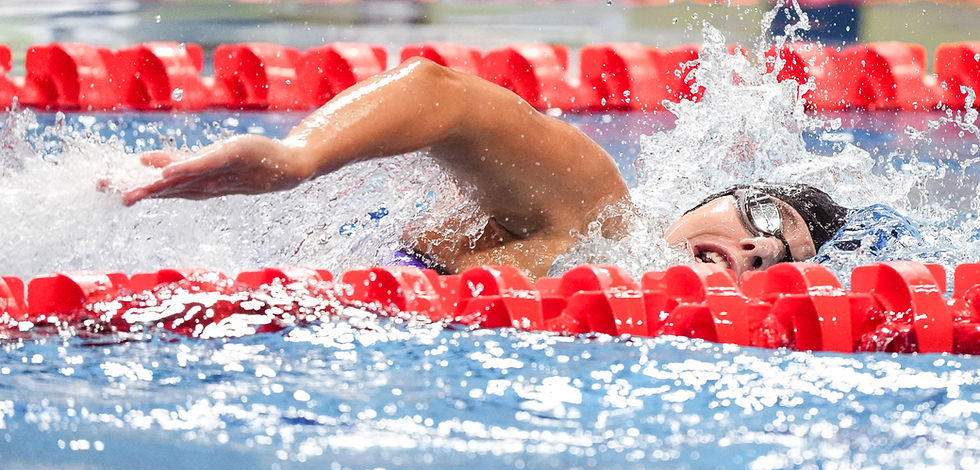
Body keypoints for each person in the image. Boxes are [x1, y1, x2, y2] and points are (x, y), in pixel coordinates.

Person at [122, 57, 849, 278]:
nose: (757, 247)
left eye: (779, 261)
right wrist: (295, 158)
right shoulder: (598, 213)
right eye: (763, 218)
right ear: (712, 198)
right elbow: (444, 95)